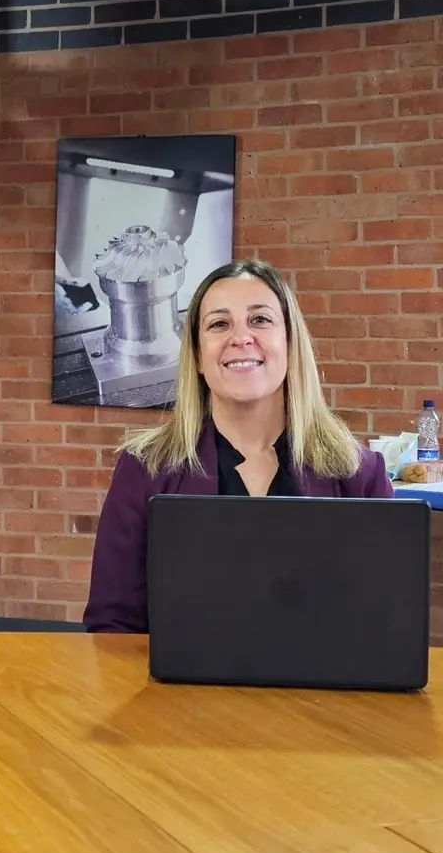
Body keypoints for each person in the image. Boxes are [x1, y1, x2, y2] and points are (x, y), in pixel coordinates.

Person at [84, 259, 392, 633]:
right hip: (182, 692)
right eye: (219, 324)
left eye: (260, 320)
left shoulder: (360, 475)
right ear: (197, 355)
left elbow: (382, 627)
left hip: (321, 692)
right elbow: (113, 625)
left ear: (290, 343)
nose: (241, 338)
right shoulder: (145, 470)